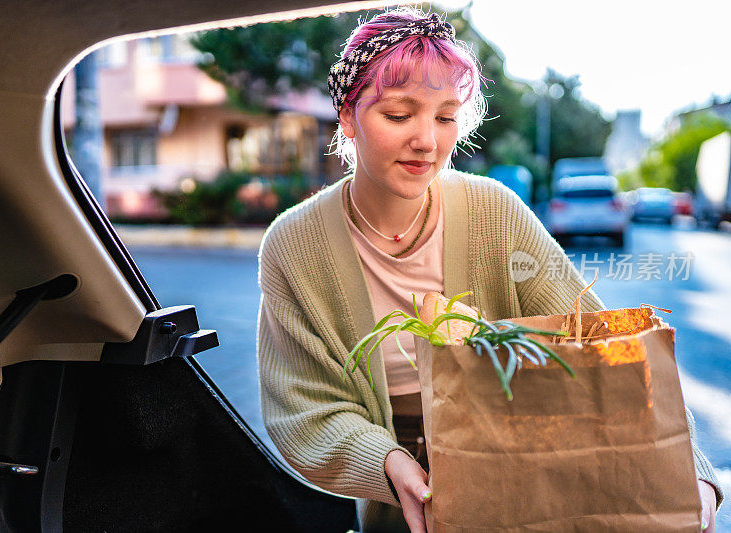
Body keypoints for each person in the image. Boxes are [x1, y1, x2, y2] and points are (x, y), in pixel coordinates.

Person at [256, 8, 722, 532]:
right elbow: (302, 408)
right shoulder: (293, 246)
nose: (427, 141)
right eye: (398, 115)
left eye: (446, 116)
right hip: (399, 507)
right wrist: (387, 464)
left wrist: (691, 467)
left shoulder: (493, 212)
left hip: (533, 483)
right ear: (347, 117)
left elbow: (603, 342)